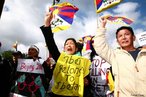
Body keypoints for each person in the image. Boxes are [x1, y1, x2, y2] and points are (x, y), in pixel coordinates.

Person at [40, 12, 91, 97]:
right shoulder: (60, 58)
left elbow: (86, 77)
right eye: (67, 44)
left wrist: (86, 81)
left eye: (71, 44)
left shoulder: (82, 61)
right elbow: (50, 44)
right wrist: (47, 24)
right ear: (64, 48)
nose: (69, 45)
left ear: (76, 48)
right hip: (58, 94)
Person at [93, 17, 146, 97]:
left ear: (133, 38)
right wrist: (102, 26)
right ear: (117, 41)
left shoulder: (144, 53)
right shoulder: (114, 56)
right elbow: (99, 45)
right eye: (120, 36)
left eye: (127, 34)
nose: (124, 37)